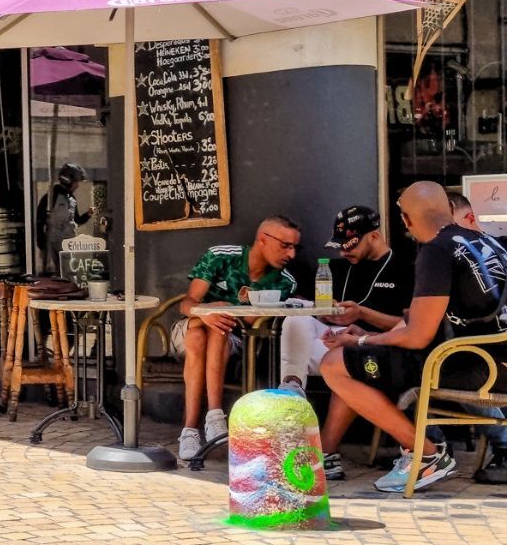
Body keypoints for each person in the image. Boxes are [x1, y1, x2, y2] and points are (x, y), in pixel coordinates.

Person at [319, 182, 507, 492]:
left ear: (406, 220)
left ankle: (426, 455)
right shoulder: (490, 243)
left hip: (473, 365)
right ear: (449, 210)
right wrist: (367, 335)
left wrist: (361, 342)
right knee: (356, 361)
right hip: (494, 359)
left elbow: (418, 337)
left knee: (335, 363)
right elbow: (430, 322)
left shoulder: (435, 250)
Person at [274, 206, 415, 479]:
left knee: (348, 364)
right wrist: (322, 312)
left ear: (374, 237)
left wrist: (362, 315)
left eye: (350, 245)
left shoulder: (404, 268)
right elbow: (309, 307)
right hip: (331, 342)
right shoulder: (332, 269)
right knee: (296, 319)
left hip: (378, 350)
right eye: (339, 245)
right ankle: (292, 389)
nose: (343, 252)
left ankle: (326, 454)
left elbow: (411, 325)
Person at [174, 216, 302, 461]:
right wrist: (208, 312)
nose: (292, 254)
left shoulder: (284, 281)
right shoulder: (221, 256)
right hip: (190, 328)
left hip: (236, 338)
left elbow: (254, 323)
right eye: (286, 245)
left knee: (216, 329)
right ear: (263, 239)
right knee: (200, 333)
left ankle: (190, 429)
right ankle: (212, 417)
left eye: (295, 247)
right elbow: (187, 303)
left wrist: (223, 314)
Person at [450, 191, 507, 486]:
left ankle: (504, 446)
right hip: (495, 354)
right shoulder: (498, 247)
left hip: (492, 360)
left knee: (434, 368)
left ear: (469, 219)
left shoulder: (459, 250)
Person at [38, 163, 92, 274]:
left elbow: (76, 220)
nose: (77, 185)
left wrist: (88, 214)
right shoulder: (50, 197)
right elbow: (39, 221)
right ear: (69, 180)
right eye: (76, 182)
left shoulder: (71, 198)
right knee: (54, 277)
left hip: (68, 244)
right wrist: (42, 244)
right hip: (52, 245)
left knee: (68, 276)